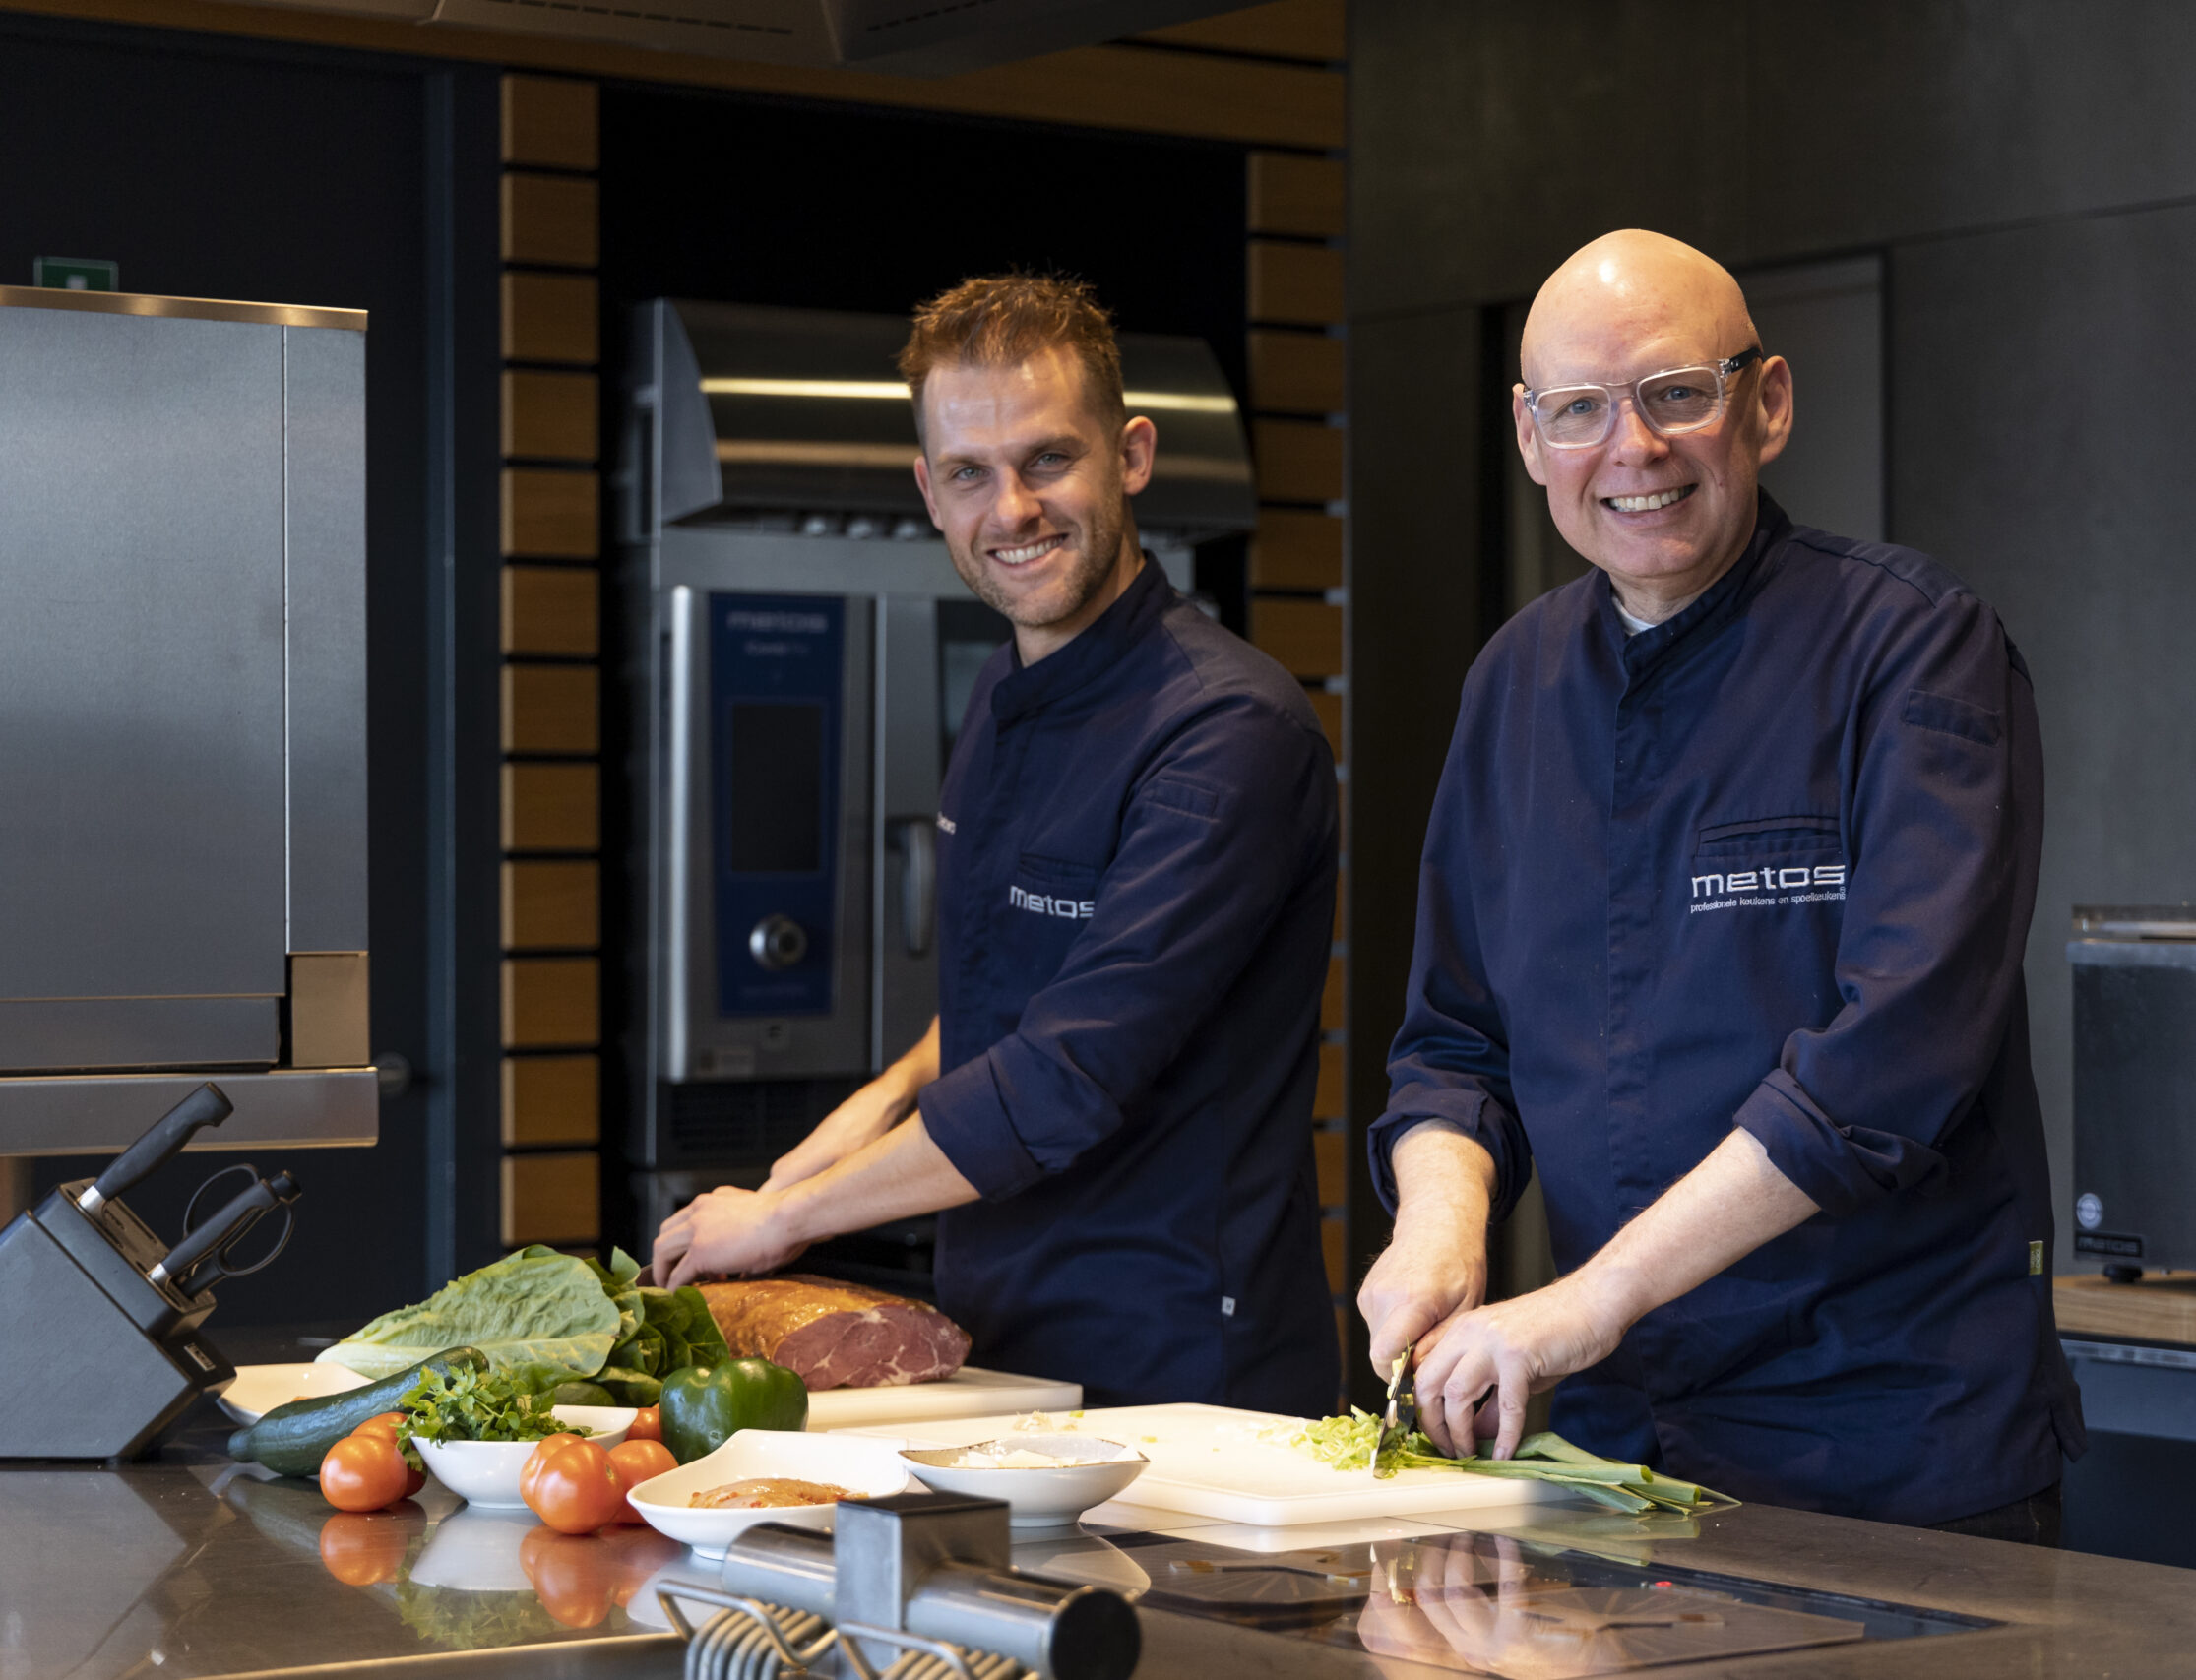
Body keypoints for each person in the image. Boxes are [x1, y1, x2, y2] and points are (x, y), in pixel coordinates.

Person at [1358, 229, 2083, 1541]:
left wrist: (1588, 1298)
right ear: (1529, 437)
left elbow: (1893, 1061)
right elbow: (1456, 1045)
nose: (1631, 448)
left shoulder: (1913, 645)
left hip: (1887, 1439)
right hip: (1615, 1439)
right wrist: (1439, 1232)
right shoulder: (1512, 683)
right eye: (1580, 409)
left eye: (1676, 393)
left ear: (1768, 403)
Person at [654, 275, 1342, 1416]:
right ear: (929, 490)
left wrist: (783, 1218)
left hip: (1179, 1366)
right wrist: (872, 1108)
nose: (1011, 508)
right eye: (970, 473)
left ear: (1130, 456)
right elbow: (1011, 994)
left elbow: (1067, 1073)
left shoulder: (1229, 731)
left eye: (1047, 459)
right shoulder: (1001, 690)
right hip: (1001, 1337)